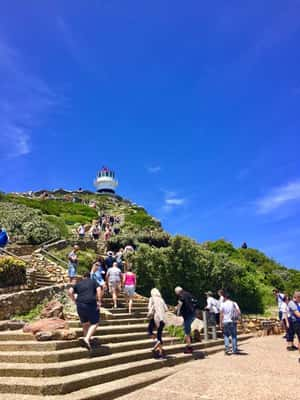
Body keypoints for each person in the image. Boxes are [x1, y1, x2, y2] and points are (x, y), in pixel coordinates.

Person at [68, 272, 102, 350]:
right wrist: (99, 300)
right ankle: (87, 338)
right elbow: (99, 289)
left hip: (80, 304)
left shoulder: (79, 283)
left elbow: (70, 291)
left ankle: (86, 340)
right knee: (95, 323)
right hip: (91, 303)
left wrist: (74, 300)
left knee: (85, 323)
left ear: (83, 277)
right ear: (89, 277)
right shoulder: (93, 281)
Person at [147, 288, 168, 359]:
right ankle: (160, 353)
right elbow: (166, 309)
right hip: (163, 319)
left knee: (149, 331)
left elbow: (150, 308)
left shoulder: (152, 298)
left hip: (156, 317)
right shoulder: (161, 299)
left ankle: (156, 344)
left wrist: (149, 314)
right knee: (159, 335)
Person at [175, 286, 195, 354]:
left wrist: (177, 312)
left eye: (176, 293)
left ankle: (189, 348)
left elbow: (180, 304)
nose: (176, 294)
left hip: (187, 315)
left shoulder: (181, 295)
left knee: (187, 332)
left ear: (178, 292)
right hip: (193, 314)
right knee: (185, 327)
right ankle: (189, 343)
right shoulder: (188, 294)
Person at [288, 291, 300, 362]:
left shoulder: (296, 303)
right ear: (297, 297)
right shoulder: (292, 303)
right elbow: (298, 314)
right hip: (297, 323)